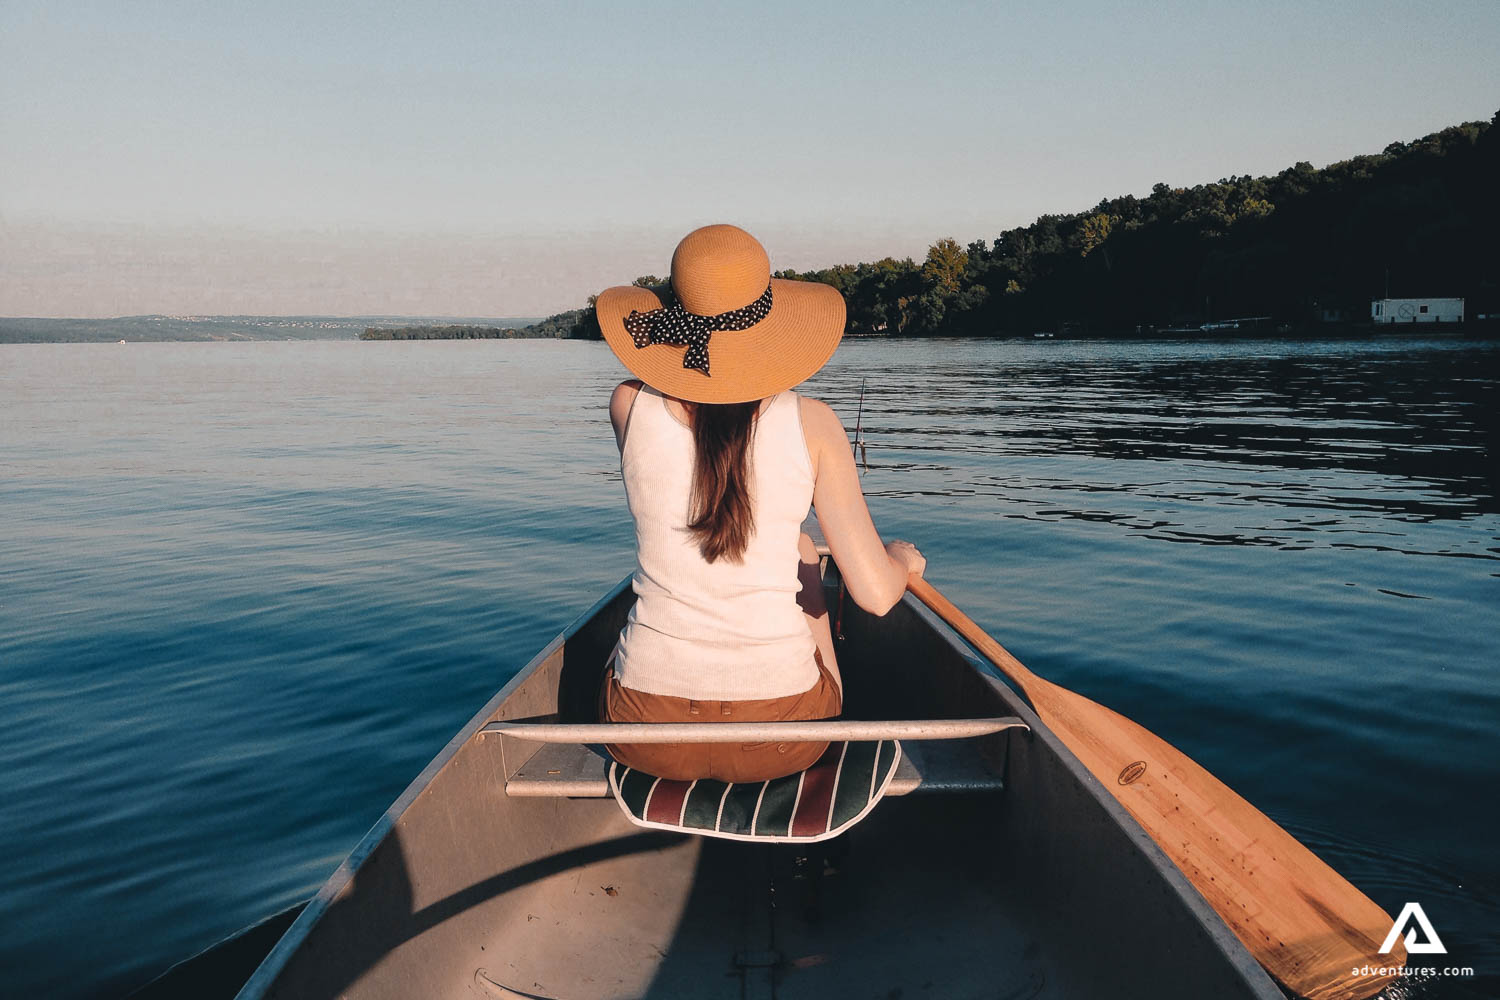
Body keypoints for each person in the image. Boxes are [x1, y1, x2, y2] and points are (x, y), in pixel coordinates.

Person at [593, 224, 926, 783]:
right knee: (805, 558)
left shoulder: (627, 403)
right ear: (770, 326)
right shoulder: (814, 423)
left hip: (643, 733)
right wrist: (900, 560)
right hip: (784, 738)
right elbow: (874, 595)